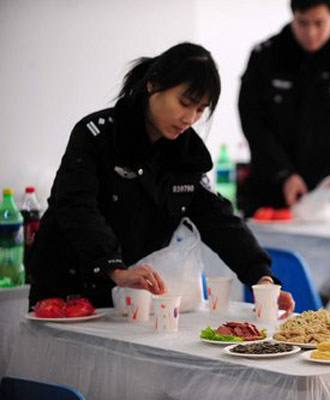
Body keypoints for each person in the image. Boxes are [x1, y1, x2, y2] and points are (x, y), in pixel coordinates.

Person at [28, 43, 294, 316]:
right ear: (152, 86)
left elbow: (219, 219)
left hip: (130, 298)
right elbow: (76, 207)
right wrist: (114, 268)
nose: (190, 118)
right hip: (66, 293)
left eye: (200, 110)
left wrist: (261, 277)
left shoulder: (186, 154)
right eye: (185, 103)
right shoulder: (96, 136)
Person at [238, 0, 330, 218]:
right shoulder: (265, 57)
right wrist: (284, 173)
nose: (311, 33)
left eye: (319, 23)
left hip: (328, 195)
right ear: (292, 17)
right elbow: (253, 122)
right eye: (302, 23)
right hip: (270, 190)